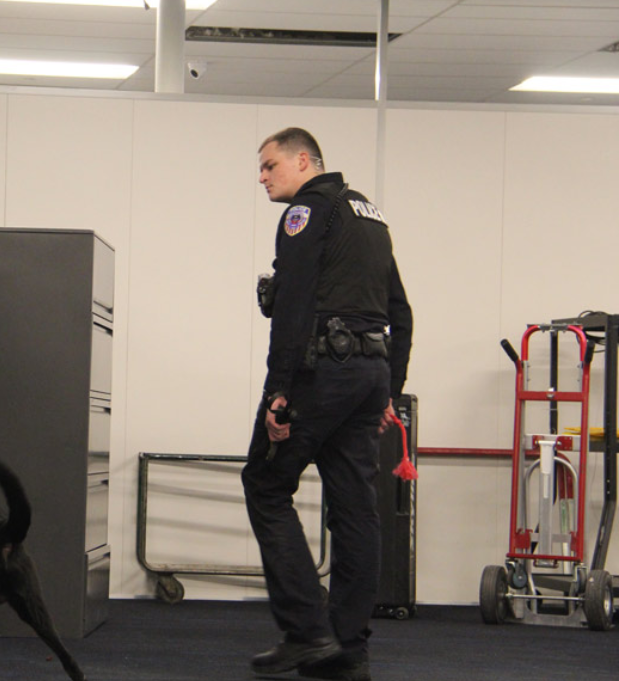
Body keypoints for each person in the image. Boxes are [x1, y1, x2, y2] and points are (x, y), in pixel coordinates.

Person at [243, 127, 413, 681]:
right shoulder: (371, 216)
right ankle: (349, 651)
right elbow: (400, 311)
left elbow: (292, 307)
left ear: (302, 160)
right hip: (368, 376)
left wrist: (278, 393)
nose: (262, 177)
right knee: (355, 509)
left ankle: (306, 632)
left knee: (266, 486)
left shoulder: (306, 213)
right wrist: (390, 388)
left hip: (322, 372)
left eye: (269, 166)